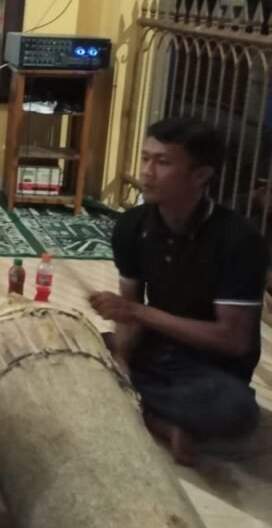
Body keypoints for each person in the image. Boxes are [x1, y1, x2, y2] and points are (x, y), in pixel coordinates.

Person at [89, 117, 266, 465]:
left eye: (163, 162)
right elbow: (129, 312)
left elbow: (233, 340)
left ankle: (135, 405)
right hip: (151, 351)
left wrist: (138, 313)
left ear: (200, 176)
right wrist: (121, 356)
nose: (147, 172)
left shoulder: (239, 239)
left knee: (235, 411)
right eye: (145, 158)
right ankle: (158, 419)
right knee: (64, 348)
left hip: (207, 368)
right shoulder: (132, 225)